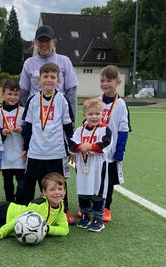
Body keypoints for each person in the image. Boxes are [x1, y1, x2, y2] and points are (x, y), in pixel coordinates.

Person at [21, 62, 75, 224]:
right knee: (29, 184)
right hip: (36, 151)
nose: (49, 80)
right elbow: (28, 126)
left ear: (58, 80)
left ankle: (63, 211)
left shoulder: (62, 100)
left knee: (59, 184)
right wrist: (25, 147)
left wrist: (71, 147)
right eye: (46, 76)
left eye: (53, 77)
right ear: (39, 79)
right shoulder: (33, 100)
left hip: (56, 152)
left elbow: (67, 126)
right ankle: (26, 210)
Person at [69, 98, 112, 232]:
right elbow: (71, 143)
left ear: (102, 114)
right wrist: (81, 146)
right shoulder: (79, 131)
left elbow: (106, 144)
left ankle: (98, 220)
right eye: (91, 114)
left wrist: (91, 146)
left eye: (97, 114)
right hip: (82, 166)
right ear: (85, 115)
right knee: (83, 192)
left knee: (97, 193)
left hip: (98, 167)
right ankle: (85, 217)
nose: (94, 117)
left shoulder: (104, 130)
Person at [19, 25, 78, 121]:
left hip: (58, 115)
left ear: (54, 42)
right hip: (35, 115)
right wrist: (27, 117)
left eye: (47, 40)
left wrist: (72, 121)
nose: (44, 44)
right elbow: (23, 94)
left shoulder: (65, 61)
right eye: (41, 41)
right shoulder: (29, 63)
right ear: (36, 43)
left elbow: (71, 93)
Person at [99, 65, 130, 222]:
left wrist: (120, 150)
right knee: (96, 179)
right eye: (102, 80)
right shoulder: (96, 101)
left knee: (108, 181)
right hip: (96, 150)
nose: (105, 84)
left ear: (117, 82)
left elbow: (124, 130)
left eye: (109, 81)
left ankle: (106, 208)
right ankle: (94, 205)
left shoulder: (121, 104)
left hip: (111, 152)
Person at [0, 79, 26, 203]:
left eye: (16, 94)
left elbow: (29, 130)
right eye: (10, 94)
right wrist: (1, 131)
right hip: (5, 154)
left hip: (20, 154)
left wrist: (22, 129)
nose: (12, 97)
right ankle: (9, 203)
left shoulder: (23, 112)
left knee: (22, 184)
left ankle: (19, 203)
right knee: (7, 183)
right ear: (3, 94)